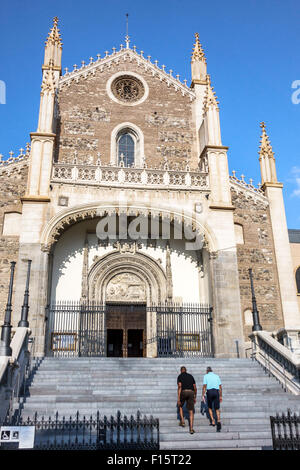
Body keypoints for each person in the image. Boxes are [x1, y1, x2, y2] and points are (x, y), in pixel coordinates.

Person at [177, 366, 197, 434]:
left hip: (184, 391)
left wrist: (178, 398)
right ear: (186, 370)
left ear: (181, 371)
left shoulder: (180, 376)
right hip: (191, 392)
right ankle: (191, 429)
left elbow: (179, 386)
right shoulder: (191, 376)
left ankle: (182, 421)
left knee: (180, 405)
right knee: (191, 411)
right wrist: (195, 396)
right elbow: (194, 387)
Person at [202, 366, 222, 432]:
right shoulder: (217, 376)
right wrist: (220, 396)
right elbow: (220, 387)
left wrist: (203, 394)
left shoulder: (206, 376)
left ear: (207, 371)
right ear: (212, 370)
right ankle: (218, 420)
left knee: (210, 407)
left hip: (209, 392)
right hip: (216, 392)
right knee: (217, 408)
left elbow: (204, 386)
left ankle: (213, 421)